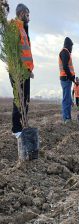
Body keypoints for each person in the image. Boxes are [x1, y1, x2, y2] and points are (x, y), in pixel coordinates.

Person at [10, 4, 34, 138]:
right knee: (19, 98)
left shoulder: (24, 29)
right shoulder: (15, 27)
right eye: (27, 14)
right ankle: (16, 129)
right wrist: (19, 69)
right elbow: (14, 51)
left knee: (25, 99)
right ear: (21, 14)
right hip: (18, 70)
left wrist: (29, 69)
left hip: (25, 71)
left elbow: (26, 52)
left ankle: (22, 126)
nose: (29, 17)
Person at [59, 37, 75, 123]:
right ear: (68, 45)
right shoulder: (64, 52)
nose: (72, 48)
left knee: (68, 99)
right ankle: (66, 118)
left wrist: (72, 78)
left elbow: (68, 67)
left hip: (67, 79)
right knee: (66, 99)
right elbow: (65, 67)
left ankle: (68, 117)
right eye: (71, 46)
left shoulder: (66, 52)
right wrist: (71, 77)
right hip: (65, 79)